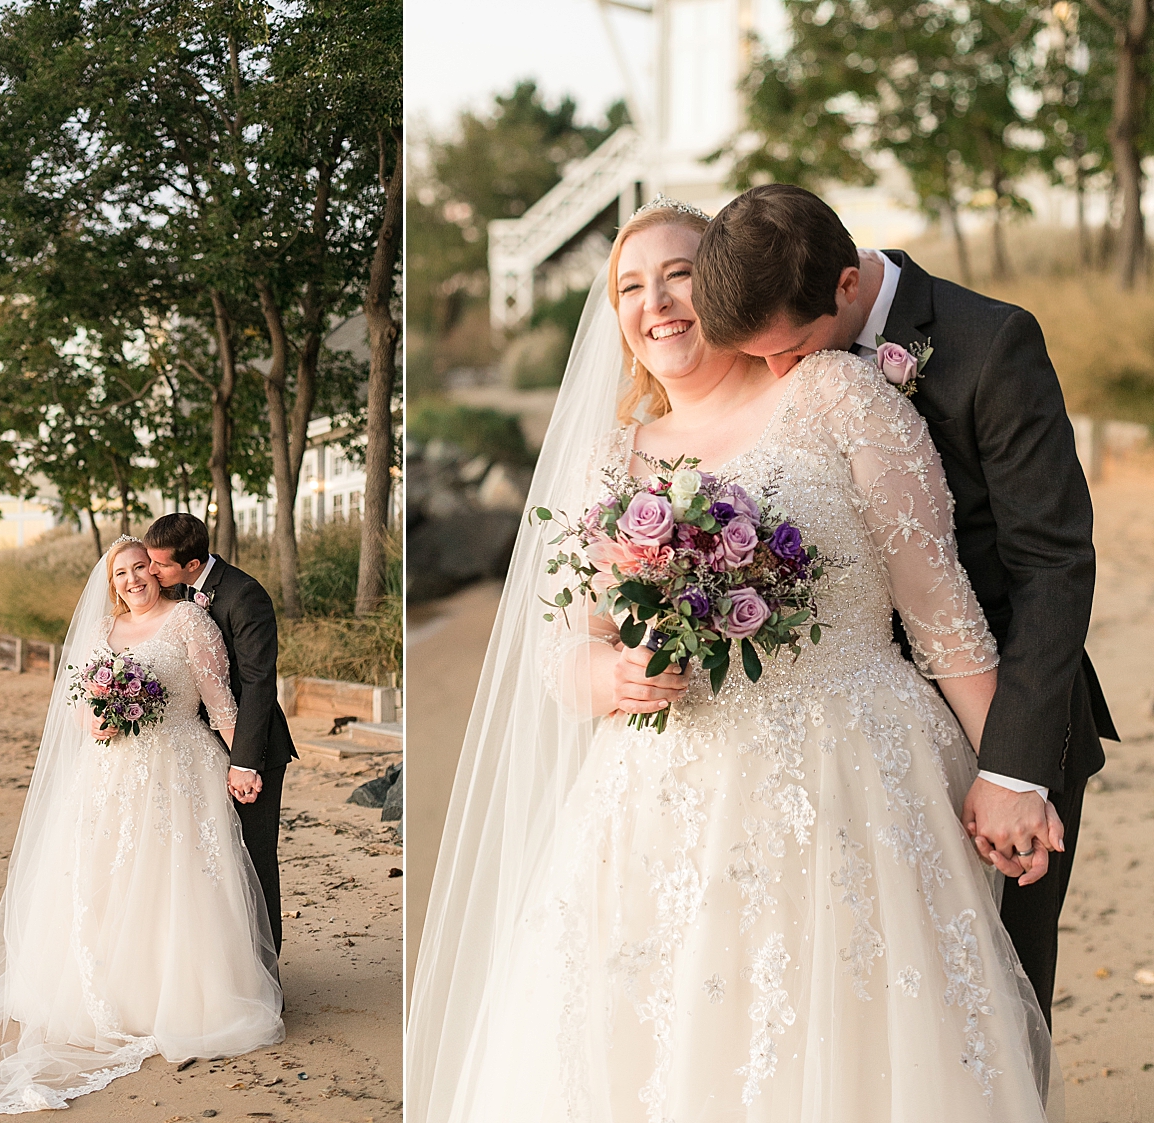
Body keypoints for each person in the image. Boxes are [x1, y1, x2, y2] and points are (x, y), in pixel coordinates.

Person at [406, 199, 1062, 1121]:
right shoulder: (610, 462)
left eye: (679, 273)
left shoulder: (837, 393)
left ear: (721, 285)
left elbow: (945, 614)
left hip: (859, 782)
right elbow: (567, 649)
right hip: (665, 805)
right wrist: (614, 677)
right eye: (630, 287)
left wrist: (1014, 774)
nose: (658, 301)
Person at [692, 183, 1117, 1024]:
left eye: (793, 347)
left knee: (1000, 1000)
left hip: (1005, 720)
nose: (781, 373)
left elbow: (1054, 562)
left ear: (847, 285)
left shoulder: (990, 343)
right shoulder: (774, 344)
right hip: (850, 740)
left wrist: (1012, 767)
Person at [0, 537, 284, 1113]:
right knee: (104, 881)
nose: (133, 580)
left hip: (179, 767)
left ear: (158, 572)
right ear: (110, 584)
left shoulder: (189, 622)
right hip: (110, 774)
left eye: (141, 569)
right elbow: (78, 704)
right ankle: (118, 996)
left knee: (179, 881)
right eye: (121, 573)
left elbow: (220, 702)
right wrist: (100, 719)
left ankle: (186, 997)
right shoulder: (102, 633)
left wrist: (242, 766)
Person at [143, 513, 298, 954]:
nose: (152, 572)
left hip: (252, 750)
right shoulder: (174, 592)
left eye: (160, 565)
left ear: (192, 564)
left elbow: (258, 682)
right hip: (193, 749)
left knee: (254, 861)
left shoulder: (244, 595)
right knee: (211, 863)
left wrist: (244, 761)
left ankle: (269, 977)